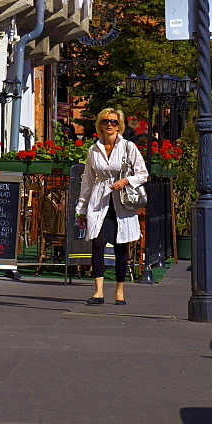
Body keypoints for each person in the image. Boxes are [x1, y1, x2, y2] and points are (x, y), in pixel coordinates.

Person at [76, 107, 148, 306]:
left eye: (114, 121)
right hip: (100, 201)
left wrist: (125, 181)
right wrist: (81, 209)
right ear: (100, 124)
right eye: (106, 121)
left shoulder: (128, 147)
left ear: (119, 125)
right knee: (98, 243)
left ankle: (119, 290)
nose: (110, 124)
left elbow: (143, 174)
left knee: (121, 247)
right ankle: (98, 291)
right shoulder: (93, 149)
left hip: (122, 202)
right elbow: (87, 181)